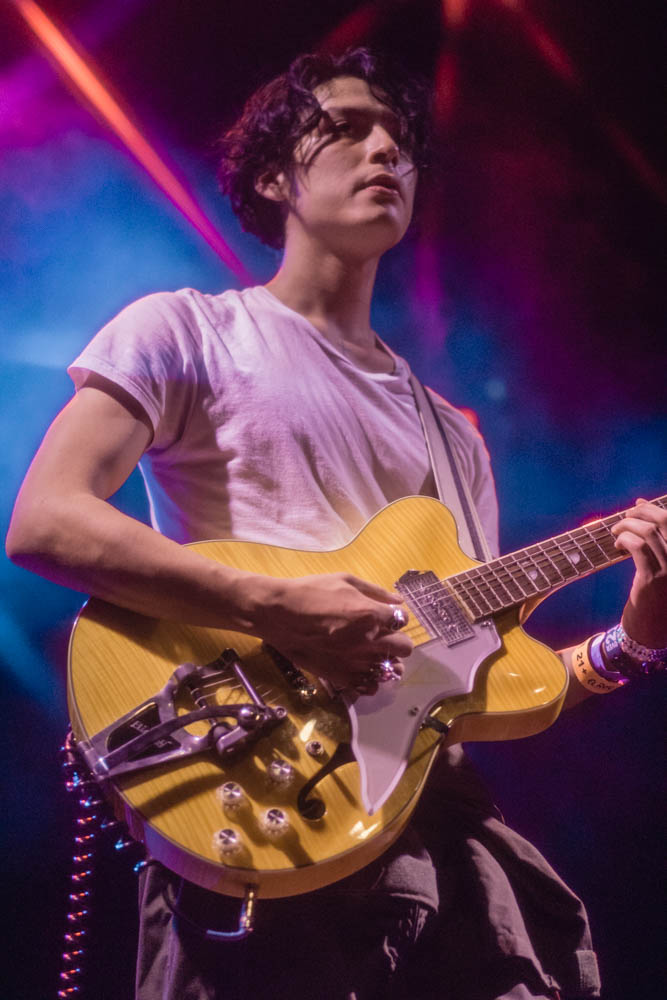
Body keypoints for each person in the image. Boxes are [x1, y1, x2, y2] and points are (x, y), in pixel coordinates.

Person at [6, 48, 666, 1000]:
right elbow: (46, 520)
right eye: (348, 129)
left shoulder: (454, 439)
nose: (385, 151)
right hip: (260, 790)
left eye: (399, 140)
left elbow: (480, 683)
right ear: (274, 176)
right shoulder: (187, 330)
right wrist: (273, 606)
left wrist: (634, 642)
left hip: (436, 828)